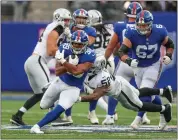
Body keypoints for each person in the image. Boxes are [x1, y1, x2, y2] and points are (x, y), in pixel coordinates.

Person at [10, 8, 72, 126]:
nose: (67, 23)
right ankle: (54, 117)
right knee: (51, 89)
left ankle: (17, 116)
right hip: (37, 61)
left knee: (39, 94)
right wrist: (65, 56)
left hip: (32, 61)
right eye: (65, 20)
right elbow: (50, 51)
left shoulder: (56, 28)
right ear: (59, 19)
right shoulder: (56, 28)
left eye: (69, 20)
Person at [77, 55, 173, 131]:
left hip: (120, 91)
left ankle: (164, 109)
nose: (88, 66)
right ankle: (162, 91)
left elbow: (95, 96)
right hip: (120, 81)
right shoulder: (94, 73)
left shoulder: (101, 78)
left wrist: (79, 99)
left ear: (97, 67)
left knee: (138, 106)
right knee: (138, 92)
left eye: (91, 65)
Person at [30, 30, 96, 134]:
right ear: (71, 42)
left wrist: (64, 62)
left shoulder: (90, 54)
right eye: (74, 43)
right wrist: (69, 65)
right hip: (59, 81)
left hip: (73, 88)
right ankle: (53, 95)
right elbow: (57, 71)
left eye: (80, 44)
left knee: (60, 108)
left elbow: (77, 71)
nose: (77, 46)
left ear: (85, 44)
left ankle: (37, 126)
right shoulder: (64, 48)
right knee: (43, 105)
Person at [117, 10, 174, 130]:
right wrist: (128, 61)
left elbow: (170, 45)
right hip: (138, 65)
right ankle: (164, 109)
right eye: (140, 25)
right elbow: (121, 52)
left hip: (153, 64)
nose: (142, 28)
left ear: (150, 24)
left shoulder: (159, 31)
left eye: (144, 25)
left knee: (143, 94)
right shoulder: (131, 33)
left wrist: (169, 56)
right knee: (146, 94)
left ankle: (136, 121)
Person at [51, 8, 97, 125]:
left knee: (92, 87)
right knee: (68, 85)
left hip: (85, 60)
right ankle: (67, 115)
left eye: (83, 18)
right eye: (79, 18)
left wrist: (71, 35)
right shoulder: (68, 28)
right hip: (70, 59)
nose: (81, 20)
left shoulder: (91, 30)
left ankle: (92, 112)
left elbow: (88, 42)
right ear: (74, 19)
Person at [103, 2, 146, 125]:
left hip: (125, 62)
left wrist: (104, 59)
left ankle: (110, 116)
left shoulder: (120, 26)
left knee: (114, 88)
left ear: (127, 14)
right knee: (145, 91)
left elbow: (111, 47)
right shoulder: (149, 27)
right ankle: (142, 116)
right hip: (141, 63)